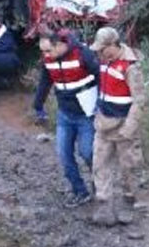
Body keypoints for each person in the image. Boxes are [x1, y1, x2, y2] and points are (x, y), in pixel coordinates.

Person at [32, 26, 100, 207]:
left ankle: (100, 184)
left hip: (86, 114)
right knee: (64, 154)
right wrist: (38, 105)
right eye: (43, 51)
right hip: (65, 114)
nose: (45, 55)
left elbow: (101, 77)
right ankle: (80, 191)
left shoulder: (83, 54)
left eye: (48, 50)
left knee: (87, 152)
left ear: (60, 45)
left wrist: (101, 104)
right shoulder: (48, 59)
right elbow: (45, 82)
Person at [89, 26, 145, 227]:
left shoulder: (130, 67)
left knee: (128, 167)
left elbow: (139, 101)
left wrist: (128, 129)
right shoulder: (103, 61)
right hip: (103, 124)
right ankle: (104, 205)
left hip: (123, 127)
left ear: (114, 45)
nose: (100, 53)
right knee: (99, 164)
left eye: (103, 49)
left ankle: (128, 205)